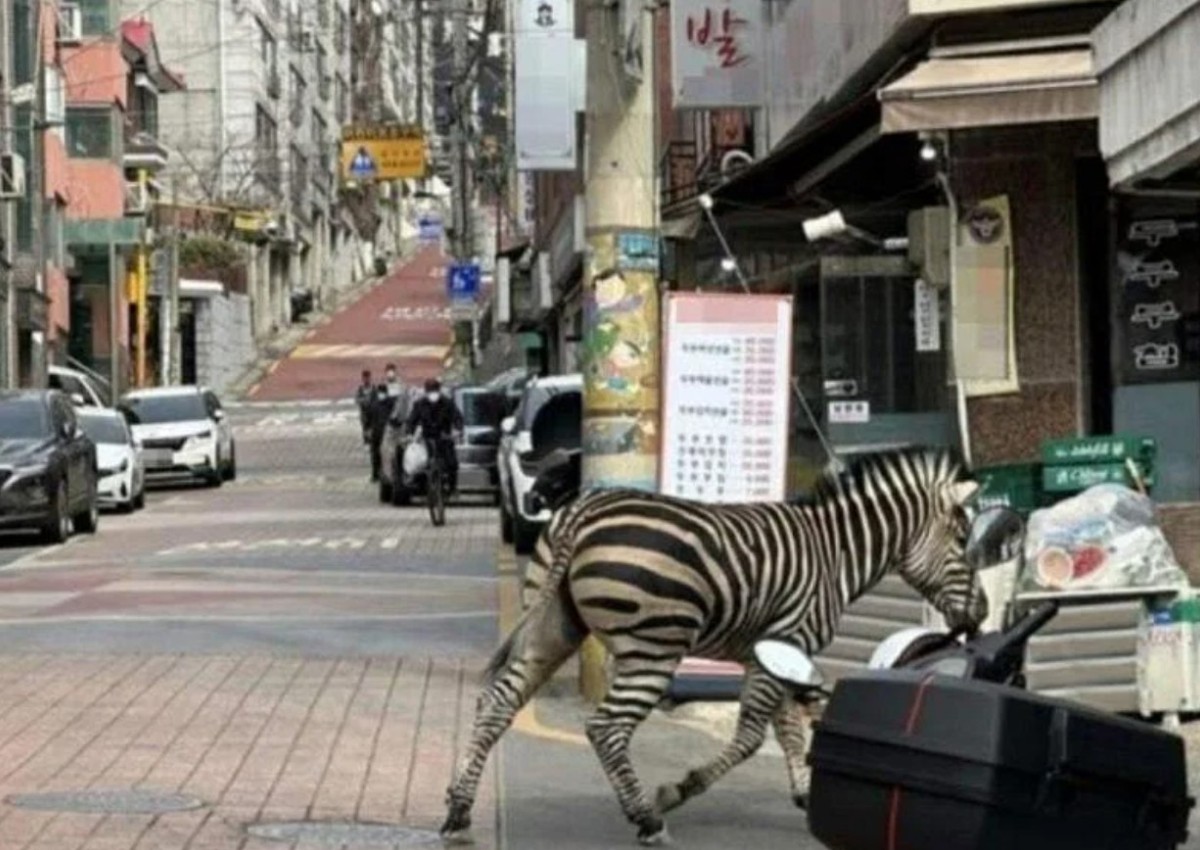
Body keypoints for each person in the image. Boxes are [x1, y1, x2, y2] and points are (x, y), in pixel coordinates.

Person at [406, 378, 463, 494]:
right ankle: (420, 486)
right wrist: (410, 434)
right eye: (430, 391)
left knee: (452, 463)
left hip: (444, 437)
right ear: (426, 392)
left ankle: (453, 487)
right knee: (420, 463)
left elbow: (457, 417)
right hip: (427, 437)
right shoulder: (419, 404)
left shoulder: (447, 403)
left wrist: (458, 430)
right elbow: (411, 420)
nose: (433, 395)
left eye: (435, 391)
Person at [365, 382, 394, 481]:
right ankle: (375, 474)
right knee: (375, 454)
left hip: (387, 433)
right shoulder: (373, 404)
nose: (381, 394)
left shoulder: (391, 403)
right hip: (376, 433)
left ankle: (386, 473)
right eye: (380, 392)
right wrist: (368, 430)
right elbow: (368, 418)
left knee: (386, 454)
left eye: (383, 392)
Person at [355, 369, 373, 444]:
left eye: (367, 377)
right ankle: (366, 441)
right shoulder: (360, 389)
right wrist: (364, 401)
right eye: (364, 378)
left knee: (373, 429)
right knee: (365, 429)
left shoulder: (373, 388)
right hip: (364, 414)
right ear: (362, 378)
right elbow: (357, 400)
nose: (366, 380)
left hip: (373, 413)